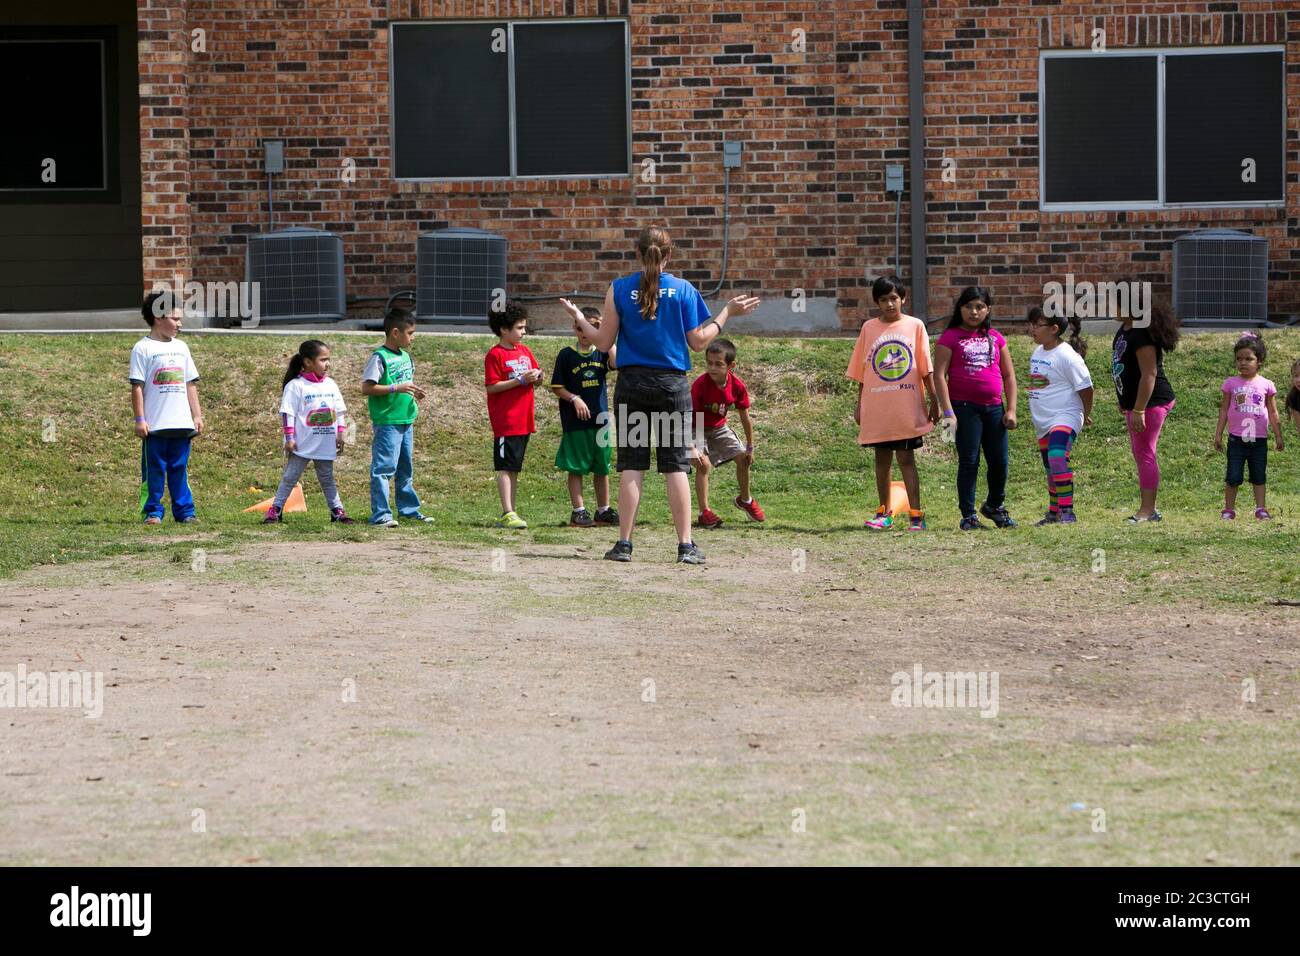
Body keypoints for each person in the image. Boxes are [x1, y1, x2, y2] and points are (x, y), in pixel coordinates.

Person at [560, 225, 759, 564]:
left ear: (637, 254)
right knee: (675, 467)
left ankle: (624, 544)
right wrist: (726, 313)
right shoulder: (683, 289)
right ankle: (685, 545)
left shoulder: (619, 289)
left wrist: (580, 318)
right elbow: (698, 343)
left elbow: (604, 343)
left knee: (632, 466)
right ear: (670, 255)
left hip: (632, 385)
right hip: (671, 386)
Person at [845, 276, 940, 531]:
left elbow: (925, 367)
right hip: (878, 408)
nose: (889, 304)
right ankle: (884, 512)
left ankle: (916, 515)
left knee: (906, 459)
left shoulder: (916, 326)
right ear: (877, 302)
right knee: (881, 460)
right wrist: (859, 404)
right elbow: (863, 370)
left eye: (894, 298)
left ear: (903, 299)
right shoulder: (868, 328)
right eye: (884, 299)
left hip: (905, 407)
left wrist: (934, 400)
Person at [934, 286, 1018, 530]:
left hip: (994, 409)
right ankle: (968, 515)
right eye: (968, 306)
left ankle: (994, 506)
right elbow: (939, 376)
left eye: (979, 306)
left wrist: (1010, 410)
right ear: (960, 308)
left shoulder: (996, 337)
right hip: (964, 409)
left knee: (999, 461)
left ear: (988, 309)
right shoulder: (950, 337)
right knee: (969, 461)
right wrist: (948, 412)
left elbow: (1009, 376)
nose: (974, 311)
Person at [131, 291, 204, 525]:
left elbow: (190, 384)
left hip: (181, 424)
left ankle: (185, 512)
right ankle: (152, 512)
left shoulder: (182, 348)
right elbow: (137, 388)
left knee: (179, 469)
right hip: (155, 426)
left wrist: (197, 415)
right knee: (154, 471)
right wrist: (140, 419)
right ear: (158, 317)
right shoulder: (142, 349)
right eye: (175, 318)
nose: (179, 324)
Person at [264, 340, 354, 524]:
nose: (327, 364)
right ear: (307, 362)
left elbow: (340, 412)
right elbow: (287, 413)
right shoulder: (296, 386)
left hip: (324, 443)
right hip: (301, 443)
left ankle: (337, 512)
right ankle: (275, 510)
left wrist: (341, 434)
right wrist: (289, 438)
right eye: (323, 359)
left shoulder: (331, 384)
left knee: (327, 478)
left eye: (329, 359)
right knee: (290, 477)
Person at [1111, 290, 1179, 523]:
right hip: (1138, 403)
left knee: (1145, 453)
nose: (1111, 305)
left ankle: (1148, 511)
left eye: (1116, 301)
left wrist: (1139, 409)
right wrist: (1126, 402)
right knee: (1141, 454)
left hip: (1152, 402)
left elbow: (1149, 374)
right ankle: (1149, 509)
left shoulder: (1141, 334)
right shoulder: (1125, 329)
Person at [549, 306, 619, 527]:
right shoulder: (567, 354)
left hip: (600, 419)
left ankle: (603, 510)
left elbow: (616, 363)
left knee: (602, 466)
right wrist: (574, 398)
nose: (585, 332)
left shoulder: (602, 351)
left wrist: (606, 334)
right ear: (574, 328)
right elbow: (557, 387)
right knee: (577, 466)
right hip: (576, 422)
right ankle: (578, 511)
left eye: (592, 327)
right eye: (580, 328)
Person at [361, 309, 432, 527]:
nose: (413, 337)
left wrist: (413, 392)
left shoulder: (405, 356)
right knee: (383, 469)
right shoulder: (379, 357)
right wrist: (396, 387)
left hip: (405, 420)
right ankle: (381, 515)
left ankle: (409, 511)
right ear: (395, 332)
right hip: (387, 422)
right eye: (410, 333)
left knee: (405, 469)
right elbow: (367, 388)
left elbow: (405, 384)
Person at [1025, 306, 1093, 525]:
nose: (1032, 328)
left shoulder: (1067, 356)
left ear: (1054, 329)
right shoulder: (1038, 352)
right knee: (1050, 465)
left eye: (1038, 325)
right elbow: (1039, 384)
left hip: (1066, 414)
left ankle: (1067, 512)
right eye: (1032, 324)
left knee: (1056, 456)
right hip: (1043, 419)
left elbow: (1086, 387)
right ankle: (1053, 513)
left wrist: (1086, 413)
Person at [691, 337, 764, 528]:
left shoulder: (737, 386)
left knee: (743, 459)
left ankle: (745, 500)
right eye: (709, 363)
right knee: (703, 465)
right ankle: (704, 512)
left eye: (718, 364)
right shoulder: (699, 385)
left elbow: (745, 417)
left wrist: (750, 447)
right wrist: (695, 448)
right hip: (695, 426)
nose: (712, 368)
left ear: (731, 365)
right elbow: (690, 417)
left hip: (718, 427)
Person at [485, 300, 541, 529]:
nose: (523, 332)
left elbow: (536, 377)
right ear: (503, 330)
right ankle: (507, 512)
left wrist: (538, 377)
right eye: (519, 328)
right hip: (506, 421)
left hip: (523, 420)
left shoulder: (525, 351)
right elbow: (491, 386)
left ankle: (512, 510)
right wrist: (518, 381)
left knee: (514, 467)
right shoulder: (495, 355)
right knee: (505, 467)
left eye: (524, 327)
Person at [1215, 332, 1283, 520]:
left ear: (1259, 361)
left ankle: (1260, 508)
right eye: (1239, 359)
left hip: (1258, 441)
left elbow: (1272, 412)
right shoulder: (1230, 383)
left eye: (1248, 358)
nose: (1243, 363)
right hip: (1236, 440)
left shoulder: (1267, 385)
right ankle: (1228, 509)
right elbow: (1224, 410)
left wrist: (1278, 435)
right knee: (1233, 476)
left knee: (1258, 475)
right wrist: (1219, 434)